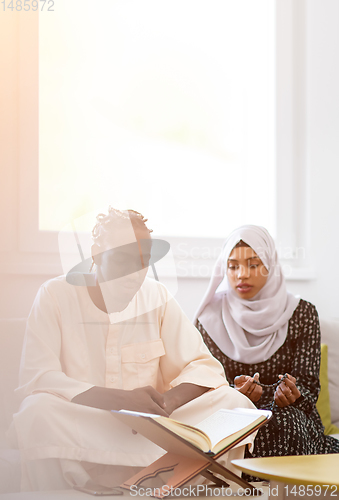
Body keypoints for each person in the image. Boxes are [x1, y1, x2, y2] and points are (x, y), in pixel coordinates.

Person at [12, 208, 256, 491]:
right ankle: (118, 479)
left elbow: (203, 366)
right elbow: (38, 377)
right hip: (89, 422)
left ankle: (157, 481)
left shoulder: (157, 296)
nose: (133, 274)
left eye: (143, 261)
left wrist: (166, 404)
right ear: (96, 254)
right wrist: (118, 400)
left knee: (233, 404)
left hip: (150, 428)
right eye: (122, 259)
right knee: (37, 411)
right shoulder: (55, 295)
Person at [194, 225, 339, 478]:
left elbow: (308, 386)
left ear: (270, 264)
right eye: (232, 266)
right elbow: (206, 386)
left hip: (293, 416)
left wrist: (287, 393)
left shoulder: (302, 313)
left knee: (282, 421)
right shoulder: (209, 319)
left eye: (253, 264)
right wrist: (235, 394)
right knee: (240, 427)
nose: (241, 275)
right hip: (231, 417)